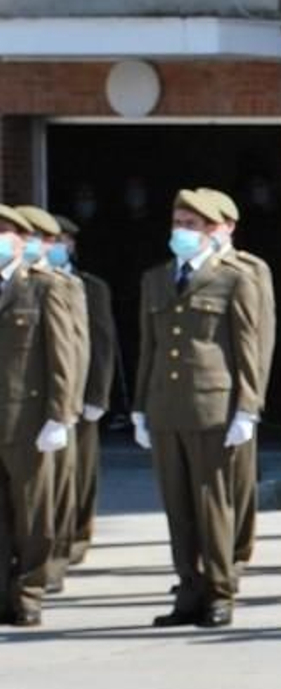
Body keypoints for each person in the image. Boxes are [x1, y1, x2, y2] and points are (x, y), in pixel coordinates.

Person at [132, 189, 266, 629]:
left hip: (214, 407)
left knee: (213, 505)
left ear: (212, 230)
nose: (181, 232)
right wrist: (139, 407)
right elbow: (150, 348)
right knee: (178, 506)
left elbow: (248, 348)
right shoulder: (156, 279)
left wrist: (247, 408)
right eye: (178, 223)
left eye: (191, 225)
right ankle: (188, 590)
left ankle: (219, 591)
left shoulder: (234, 278)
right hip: (165, 407)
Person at [0, 202, 83, 628]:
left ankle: (29, 590)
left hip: (27, 418)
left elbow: (62, 355)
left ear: (21, 241)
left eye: (4, 232)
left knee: (33, 512)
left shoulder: (44, 287)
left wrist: (60, 414)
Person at [198, 188, 276, 587]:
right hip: (198, 397)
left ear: (227, 226)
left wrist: (251, 399)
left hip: (234, 392)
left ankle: (234, 557)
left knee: (236, 485)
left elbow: (258, 338)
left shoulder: (248, 270)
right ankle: (206, 565)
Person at [47, 215, 118, 566]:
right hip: (44, 394)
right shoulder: (29, 282)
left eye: (62, 240)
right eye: (50, 239)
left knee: (81, 468)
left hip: (81, 391)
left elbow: (103, 344)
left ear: (72, 245)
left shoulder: (91, 287)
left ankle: (78, 533)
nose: (55, 246)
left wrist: (97, 396)